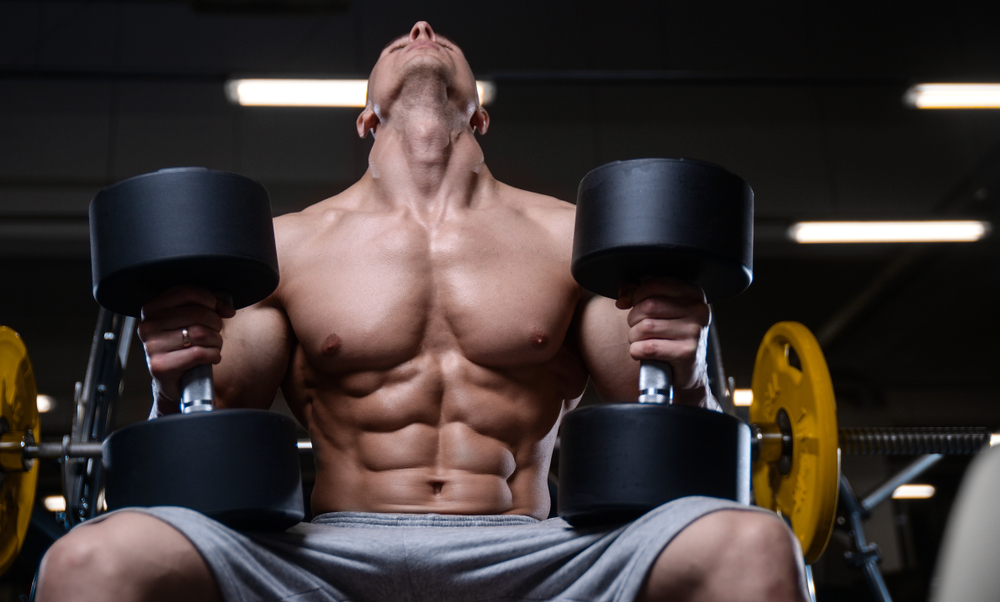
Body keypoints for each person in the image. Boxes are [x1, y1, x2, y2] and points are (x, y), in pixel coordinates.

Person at [36, 21, 808, 602]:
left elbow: (674, 432)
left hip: (530, 549)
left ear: (481, 115)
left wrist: (689, 359)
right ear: (365, 119)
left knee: (754, 545)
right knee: (86, 560)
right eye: (398, 40)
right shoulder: (281, 250)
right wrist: (175, 374)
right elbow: (207, 431)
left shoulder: (580, 239)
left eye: (441, 36)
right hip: (327, 552)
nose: (421, 30)